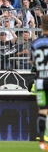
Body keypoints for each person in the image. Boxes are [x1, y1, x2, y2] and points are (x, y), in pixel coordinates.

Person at [30, 14, 48, 150]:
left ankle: (42, 141)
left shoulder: (35, 43)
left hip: (41, 81)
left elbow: (32, 62)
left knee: (42, 110)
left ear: (41, 26)